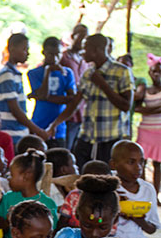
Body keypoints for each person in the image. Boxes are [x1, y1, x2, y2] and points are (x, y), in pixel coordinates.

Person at [47, 34, 135, 169]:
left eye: (86, 49)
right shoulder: (88, 74)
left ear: (97, 50)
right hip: (87, 136)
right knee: (81, 172)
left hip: (110, 138)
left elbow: (126, 106)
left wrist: (103, 84)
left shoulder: (121, 71)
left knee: (106, 177)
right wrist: (55, 124)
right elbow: (75, 104)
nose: (83, 53)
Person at [0, 33, 48, 141]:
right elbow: (15, 109)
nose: (27, 53)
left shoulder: (15, 74)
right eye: (24, 49)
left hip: (18, 132)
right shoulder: (7, 75)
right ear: (12, 49)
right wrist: (38, 131)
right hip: (10, 133)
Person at [0, 150, 58, 238]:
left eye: (12, 175)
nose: (8, 178)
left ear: (26, 176)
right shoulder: (8, 198)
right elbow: (0, 227)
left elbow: (50, 234)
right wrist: (10, 220)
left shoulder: (48, 204)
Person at [28, 36, 77, 148]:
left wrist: (41, 97)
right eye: (51, 54)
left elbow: (71, 99)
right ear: (43, 52)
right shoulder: (34, 73)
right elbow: (43, 94)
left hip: (58, 127)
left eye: (58, 54)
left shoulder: (67, 73)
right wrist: (48, 71)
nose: (55, 58)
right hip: (39, 124)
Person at [60, 23, 90, 151]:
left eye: (86, 38)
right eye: (80, 37)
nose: (83, 41)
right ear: (73, 36)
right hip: (68, 112)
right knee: (66, 149)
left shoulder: (85, 60)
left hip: (82, 113)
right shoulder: (64, 58)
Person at [135, 54, 161, 195]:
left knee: (158, 164)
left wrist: (147, 111)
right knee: (141, 162)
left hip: (159, 131)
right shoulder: (145, 89)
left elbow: (142, 109)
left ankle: (155, 194)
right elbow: (136, 108)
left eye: (159, 71)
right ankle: (143, 192)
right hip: (145, 130)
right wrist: (155, 109)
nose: (156, 74)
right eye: (153, 71)